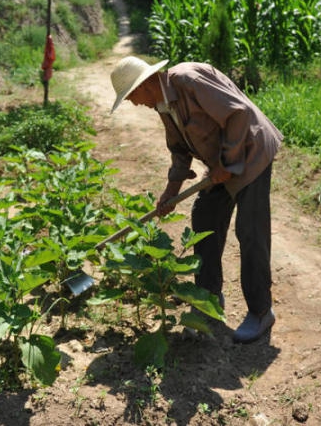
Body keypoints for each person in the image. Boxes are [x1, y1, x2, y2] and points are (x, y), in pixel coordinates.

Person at [109, 55, 284, 343]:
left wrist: (225, 163)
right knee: (205, 218)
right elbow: (179, 150)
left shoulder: (188, 80)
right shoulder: (163, 104)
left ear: (145, 84)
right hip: (222, 164)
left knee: (250, 232)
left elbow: (238, 114)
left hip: (251, 153)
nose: (132, 102)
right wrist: (170, 193)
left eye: (130, 95)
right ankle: (208, 299)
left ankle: (261, 311)